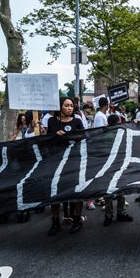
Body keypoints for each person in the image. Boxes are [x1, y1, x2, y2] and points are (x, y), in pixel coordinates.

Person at [46, 97, 85, 235]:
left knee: (76, 191)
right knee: (55, 192)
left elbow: (83, 139)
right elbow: (47, 141)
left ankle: (77, 220)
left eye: (71, 106)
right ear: (60, 107)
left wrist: (70, 136)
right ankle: (55, 222)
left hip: (73, 162)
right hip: (56, 162)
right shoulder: (51, 121)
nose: (70, 108)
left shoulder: (77, 121)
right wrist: (54, 136)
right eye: (66, 105)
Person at [102, 113, 133, 226]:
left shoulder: (103, 135)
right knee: (120, 190)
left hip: (107, 167)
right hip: (118, 165)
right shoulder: (121, 134)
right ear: (117, 123)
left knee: (108, 191)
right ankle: (121, 212)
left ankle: (109, 215)